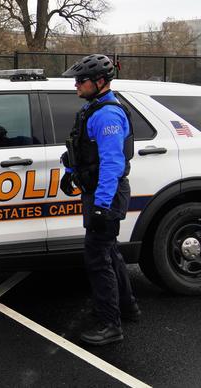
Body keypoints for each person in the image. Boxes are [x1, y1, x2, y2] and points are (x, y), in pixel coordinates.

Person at [60, 54, 140, 346]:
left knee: (97, 259)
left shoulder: (107, 115)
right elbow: (80, 149)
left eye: (81, 81)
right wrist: (70, 172)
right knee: (110, 252)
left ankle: (110, 324)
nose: (76, 85)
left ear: (100, 82)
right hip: (97, 192)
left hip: (106, 195)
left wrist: (101, 206)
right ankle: (127, 306)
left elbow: (111, 163)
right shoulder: (92, 108)